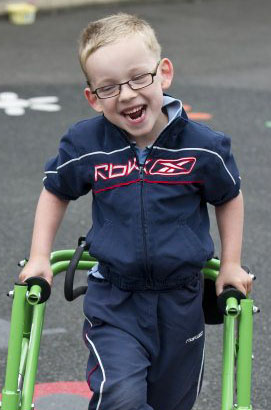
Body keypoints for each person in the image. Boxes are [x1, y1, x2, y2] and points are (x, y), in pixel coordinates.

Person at [19, 13, 252, 410]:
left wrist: (230, 264)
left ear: (163, 73)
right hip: (115, 298)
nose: (126, 95)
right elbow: (55, 190)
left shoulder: (203, 146)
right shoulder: (86, 143)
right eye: (108, 87)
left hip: (181, 299)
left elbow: (228, 196)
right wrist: (40, 256)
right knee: (122, 397)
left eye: (138, 78)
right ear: (92, 96)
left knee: (171, 403)